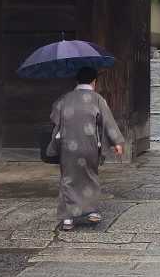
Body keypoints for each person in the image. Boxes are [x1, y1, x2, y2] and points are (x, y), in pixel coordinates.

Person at [48, 67, 124, 231]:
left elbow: (54, 117)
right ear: (94, 81)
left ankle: (68, 219)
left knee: (68, 178)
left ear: (77, 81)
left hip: (68, 146)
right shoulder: (97, 99)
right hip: (89, 145)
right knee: (90, 176)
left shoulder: (65, 98)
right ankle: (91, 212)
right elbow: (108, 121)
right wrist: (117, 142)